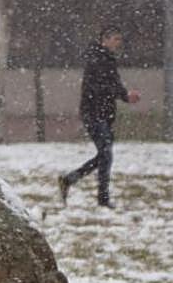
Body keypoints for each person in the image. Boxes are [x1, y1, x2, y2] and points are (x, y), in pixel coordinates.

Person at [58, 27, 140, 208]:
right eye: (116, 39)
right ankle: (100, 198)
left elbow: (112, 84)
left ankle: (71, 180)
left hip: (103, 113)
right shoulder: (97, 59)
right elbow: (101, 87)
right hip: (95, 113)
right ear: (105, 39)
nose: (119, 43)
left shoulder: (106, 59)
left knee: (105, 155)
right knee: (106, 154)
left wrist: (125, 96)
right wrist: (125, 95)